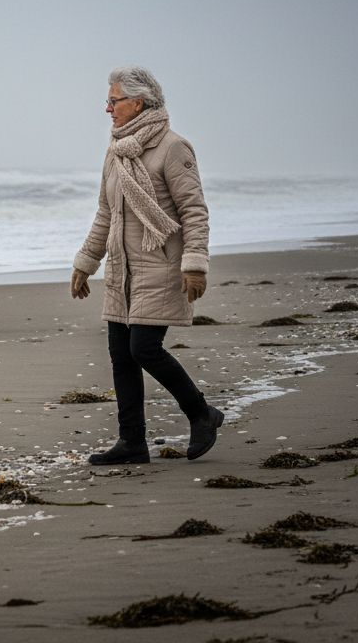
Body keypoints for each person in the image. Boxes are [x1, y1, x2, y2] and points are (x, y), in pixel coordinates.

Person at [70, 65, 224, 464]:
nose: (107, 108)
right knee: (121, 354)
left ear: (138, 102)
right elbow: (105, 214)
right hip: (122, 270)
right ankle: (132, 442)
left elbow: (194, 212)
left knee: (144, 348)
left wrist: (195, 265)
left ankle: (201, 413)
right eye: (108, 100)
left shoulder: (174, 148)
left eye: (114, 100)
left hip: (160, 266)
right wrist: (86, 262)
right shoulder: (116, 151)